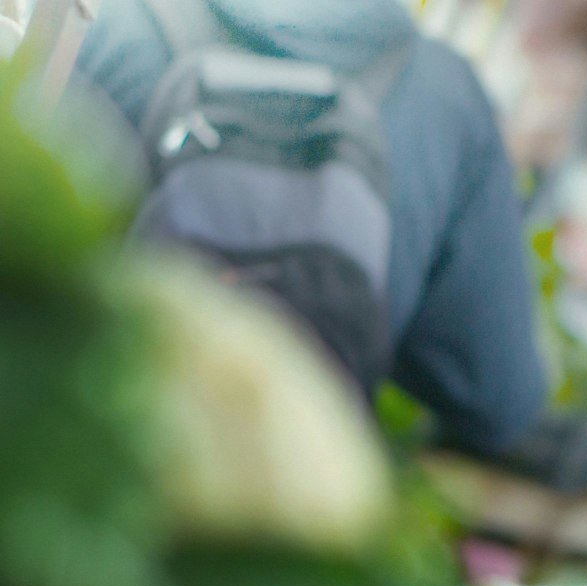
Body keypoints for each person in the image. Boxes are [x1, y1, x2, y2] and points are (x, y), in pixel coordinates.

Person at [73, 0, 547, 456]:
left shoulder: (108, 22)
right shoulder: (446, 94)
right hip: (281, 510)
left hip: (86, 471)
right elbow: (497, 401)